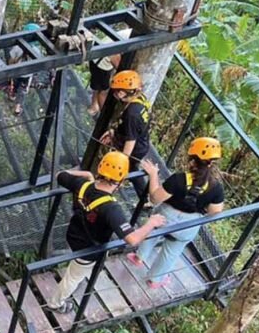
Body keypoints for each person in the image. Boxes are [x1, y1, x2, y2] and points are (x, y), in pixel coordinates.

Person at [48, 151, 166, 313]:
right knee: (74, 277)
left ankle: (75, 274)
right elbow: (132, 239)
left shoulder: (82, 185)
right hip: (89, 249)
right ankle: (56, 303)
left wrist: (87, 175)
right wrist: (151, 223)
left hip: (74, 234)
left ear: (100, 170)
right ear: (122, 181)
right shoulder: (111, 209)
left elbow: (60, 175)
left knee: (76, 268)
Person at [128, 137, 225, 288]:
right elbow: (215, 212)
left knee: (152, 230)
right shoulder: (216, 187)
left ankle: (139, 258)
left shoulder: (178, 180)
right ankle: (154, 281)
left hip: (165, 216)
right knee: (172, 252)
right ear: (211, 163)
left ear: (191, 160)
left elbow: (154, 198)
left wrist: (153, 174)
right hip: (189, 225)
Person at [100, 70, 152, 198]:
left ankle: (108, 189)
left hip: (133, 148)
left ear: (122, 93)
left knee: (123, 170)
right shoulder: (140, 99)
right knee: (132, 169)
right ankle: (145, 197)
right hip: (141, 142)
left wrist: (121, 161)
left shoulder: (131, 114)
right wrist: (113, 132)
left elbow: (130, 140)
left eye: (116, 91)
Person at [87, 29, 131, 116]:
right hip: (102, 62)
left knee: (98, 85)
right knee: (104, 91)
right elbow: (115, 58)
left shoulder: (129, 33)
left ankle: (94, 106)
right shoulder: (130, 37)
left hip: (97, 54)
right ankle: (104, 115)